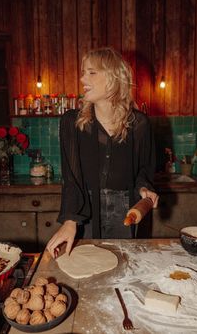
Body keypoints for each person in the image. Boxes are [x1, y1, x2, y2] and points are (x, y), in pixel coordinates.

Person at [47, 47, 159, 258]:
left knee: (124, 270)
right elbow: (71, 179)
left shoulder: (140, 123)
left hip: (125, 213)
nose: (82, 78)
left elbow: (144, 170)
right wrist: (70, 220)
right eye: (83, 72)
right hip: (85, 212)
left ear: (113, 77)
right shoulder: (72, 122)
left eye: (91, 72)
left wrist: (144, 189)